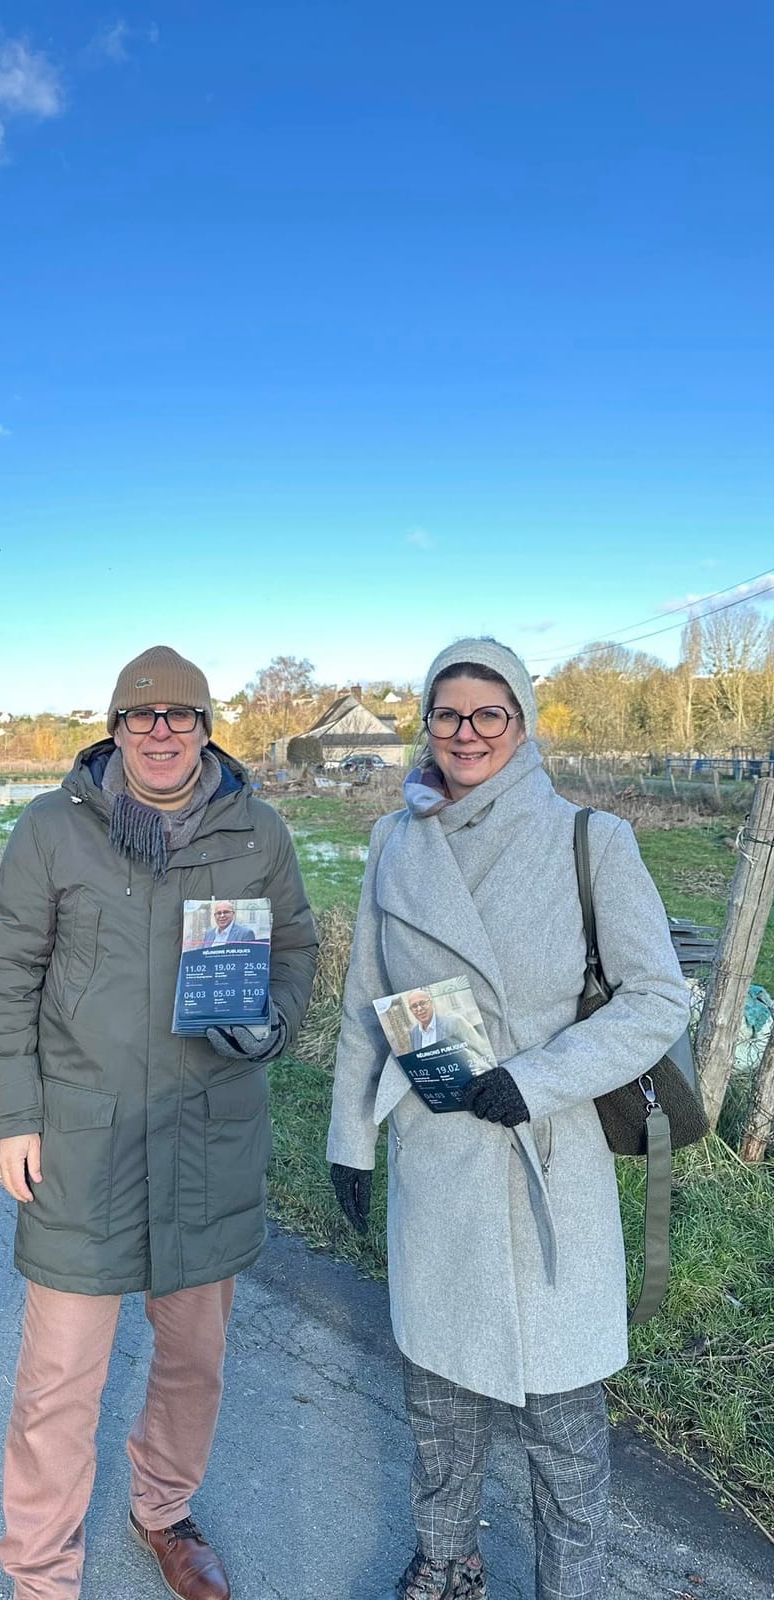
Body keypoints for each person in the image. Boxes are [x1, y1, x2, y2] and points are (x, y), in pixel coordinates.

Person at [326, 638, 689, 1600]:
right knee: (439, 1402)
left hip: (549, 1160)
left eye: (490, 713)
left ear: (522, 723)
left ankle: (573, 1585)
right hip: (439, 1154)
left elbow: (657, 999)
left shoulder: (589, 838)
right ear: (427, 725)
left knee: (563, 1424)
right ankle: (447, 1562)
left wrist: (537, 1080)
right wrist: (349, 1144)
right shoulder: (391, 845)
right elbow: (369, 1002)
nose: (467, 732)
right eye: (448, 714)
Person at [0, 644, 318, 1600]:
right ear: (115, 728)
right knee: (58, 1383)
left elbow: (295, 947)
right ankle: (40, 1573)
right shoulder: (52, 828)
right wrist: (10, 1116)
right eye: (141, 716)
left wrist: (272, 1021)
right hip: (82, 1139)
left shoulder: (258, 831)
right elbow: (4, 975)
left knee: (193, 1364)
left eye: (180, 716)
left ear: (207, 729)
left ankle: (163, 1511)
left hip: (210, 1132)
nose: (160, 732)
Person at [404, 990, 490, 1059]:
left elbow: (478, 1050)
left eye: (422, 1003)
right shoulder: (414, 1032)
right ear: (411, 1010)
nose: (419, 1009)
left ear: (431, 1003)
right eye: (414, 1006)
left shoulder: (453, 1022)